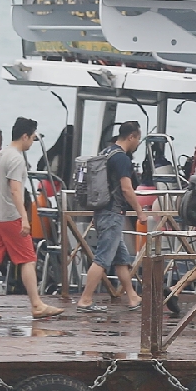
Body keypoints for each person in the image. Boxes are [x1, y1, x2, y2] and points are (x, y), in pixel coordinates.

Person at [0, 117, 63, 320]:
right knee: (28, 259)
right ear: (24, 136)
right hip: (10, 216)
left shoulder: (0, 154)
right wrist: (24, 217)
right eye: (31, 138)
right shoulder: (16, 159)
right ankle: (37, 304)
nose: (31, 143)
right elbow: (15, 190)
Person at [75, 120, 145, 314]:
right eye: (138, 139)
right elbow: (126, 188)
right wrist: (139, 211)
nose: (138, 143)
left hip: (102, 212)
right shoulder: (121, 158)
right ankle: (85, 300)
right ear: (131, 137)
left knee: (121, 258)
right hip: (112, 214)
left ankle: (132, 297)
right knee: (102, 259)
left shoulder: (106, 152)